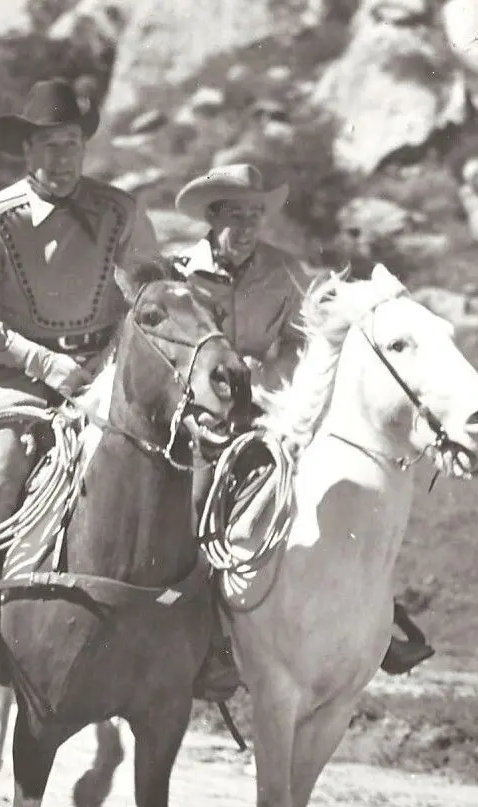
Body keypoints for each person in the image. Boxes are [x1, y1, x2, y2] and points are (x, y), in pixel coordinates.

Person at [0, 78, 165, 705]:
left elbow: (150, 291)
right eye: (47, 146)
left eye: (70, 144)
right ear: (27, 152)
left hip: (105, 376)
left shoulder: (122, 212)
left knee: (172, 467)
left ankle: (195, 637)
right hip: (20, 382)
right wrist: (44, 365)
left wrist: (117, 359)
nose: (60, 159)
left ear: (84, 147)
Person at [166, 163, 435, 693]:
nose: (246, 227)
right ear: (212, 218)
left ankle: (372, 620)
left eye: (255, 215)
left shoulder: (286, 273)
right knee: (196, 498)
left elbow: (310, 339)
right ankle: (184, 619)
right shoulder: (181, 276)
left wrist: (277, 385)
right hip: (198, 417)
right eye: (235, 215)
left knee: (334, 492)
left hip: (268, 411)